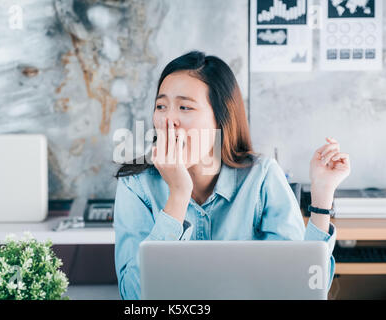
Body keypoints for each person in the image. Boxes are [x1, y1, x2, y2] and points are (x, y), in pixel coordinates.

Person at [113, 51, 351, 300]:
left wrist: (322, 197)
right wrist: (178, 195)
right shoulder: (136, 186)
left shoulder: (261, 177)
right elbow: (133, 296)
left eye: (184, 107)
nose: (167, 120)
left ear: (221, 119)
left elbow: (301, 288)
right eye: (161, 106)